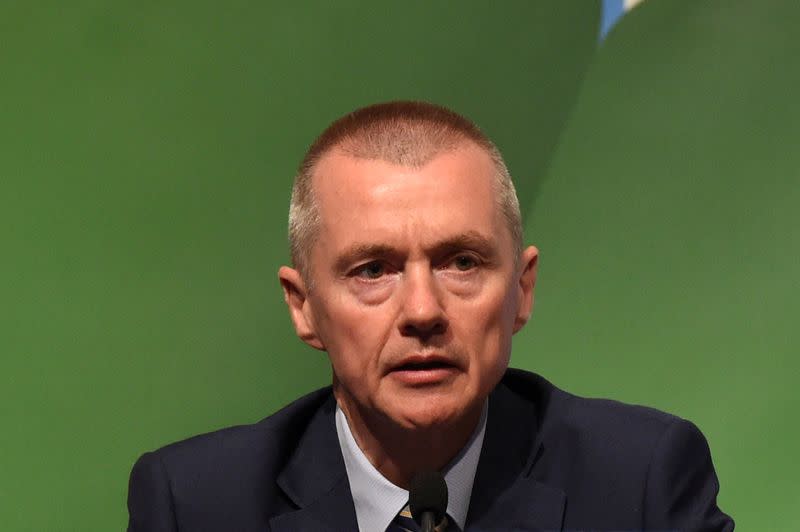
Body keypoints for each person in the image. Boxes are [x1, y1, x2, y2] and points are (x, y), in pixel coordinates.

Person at [127, 101, 734, 531]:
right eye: (372, 271)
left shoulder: (641, 486)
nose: (422, 311)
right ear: (304, 307)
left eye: (461, 262)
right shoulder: (196, 505)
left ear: (521, 291)